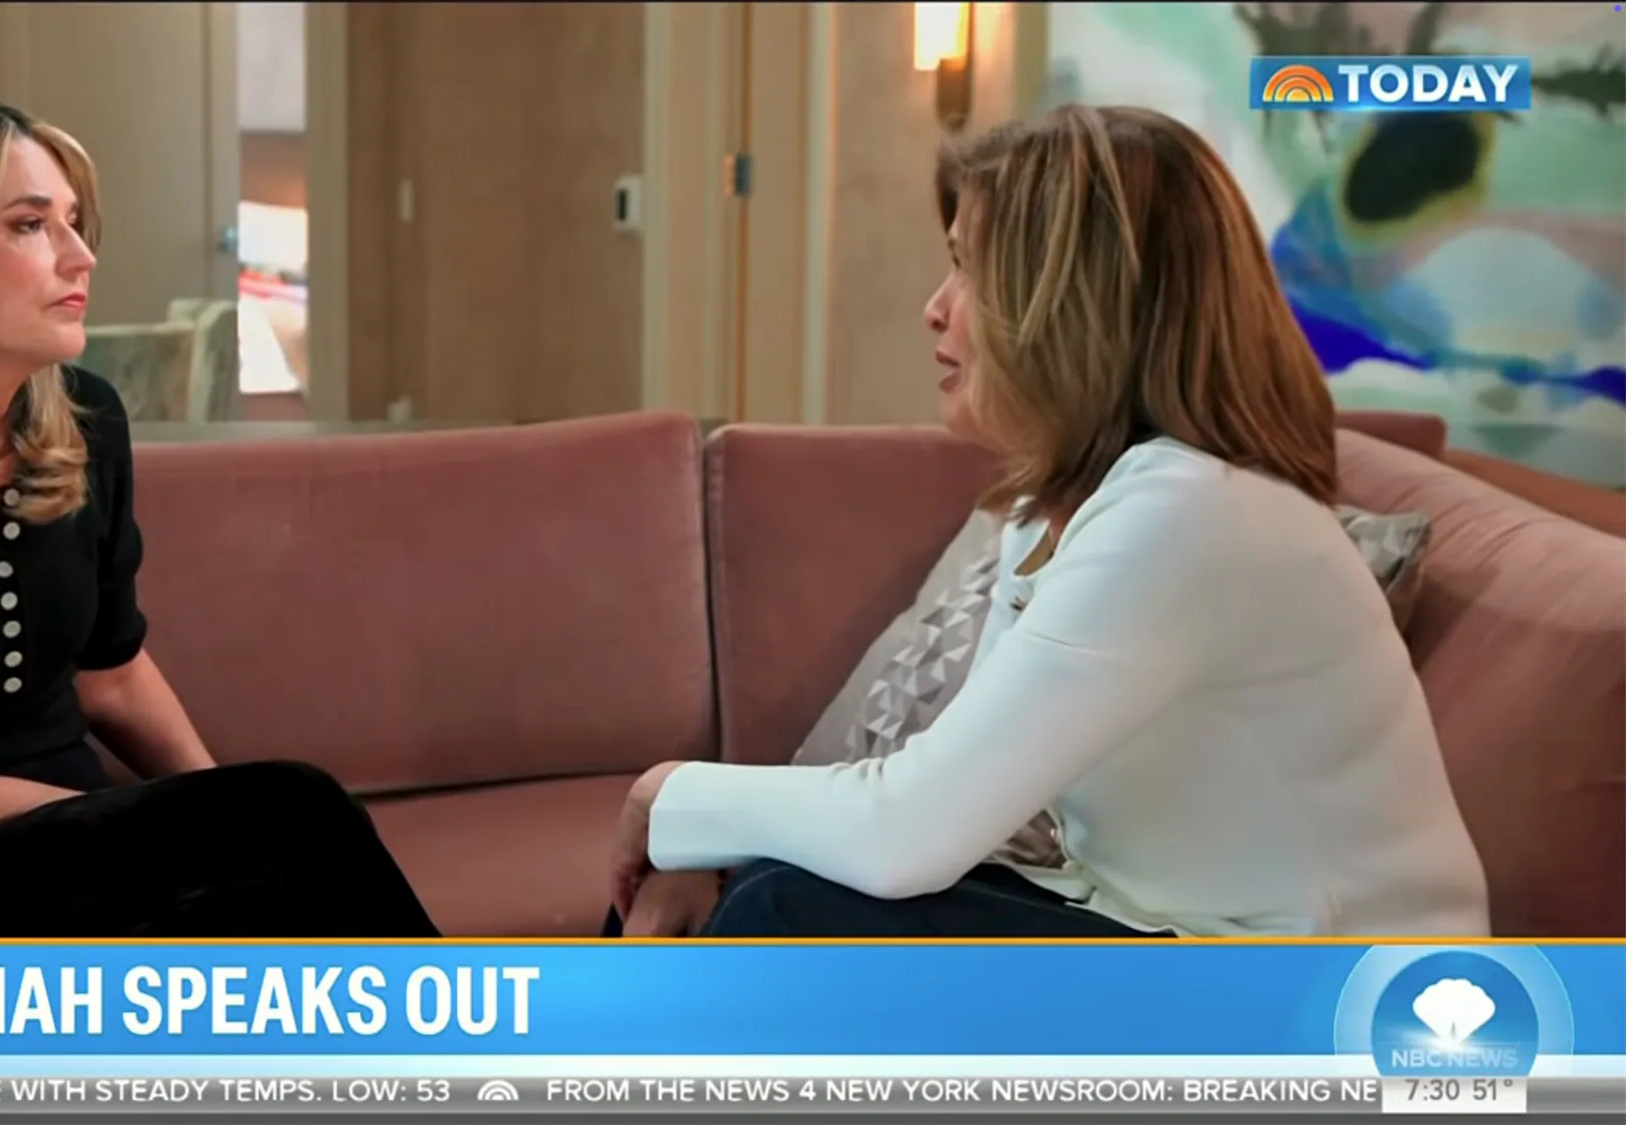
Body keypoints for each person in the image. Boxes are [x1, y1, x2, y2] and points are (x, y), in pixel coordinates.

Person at [608, 105, 1491, 939]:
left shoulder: (1192, 513)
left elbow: (909, 826)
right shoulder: (1052, 510)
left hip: (1320, 1002)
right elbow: (946, 801)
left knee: (790, 911)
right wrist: (711, 843)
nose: (936, 305)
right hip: (1157, 928)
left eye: (968, 269)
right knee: (774, 882)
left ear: (1070, 307)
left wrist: (668, 796)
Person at [0, 92, 439, 938]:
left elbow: (112, 675)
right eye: (30, 225)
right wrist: (218, 830)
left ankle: (467, 1060)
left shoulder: (84, 422)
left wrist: (222, 814)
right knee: (291, 811)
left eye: (75, 222)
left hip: (81, 850)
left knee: (283, 845)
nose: (81, 255)